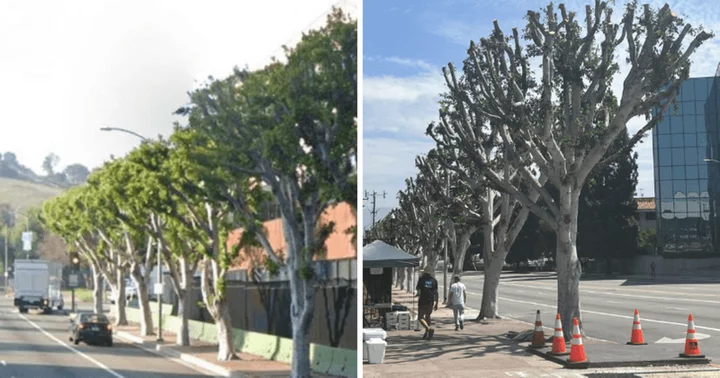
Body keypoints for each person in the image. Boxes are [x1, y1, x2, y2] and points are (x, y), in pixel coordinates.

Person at [416, 266, 438, 340]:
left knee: (420, 317)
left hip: (423, 300)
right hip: (431, 301)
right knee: (428, 316)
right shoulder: (434, 281)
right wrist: (437, 303)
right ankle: (427, 333)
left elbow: (418, 289)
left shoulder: (421, 279)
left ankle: (428, 329)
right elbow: (436, 293)